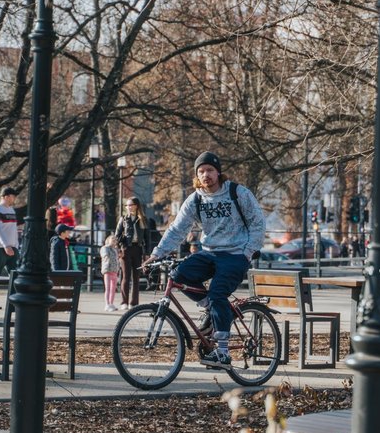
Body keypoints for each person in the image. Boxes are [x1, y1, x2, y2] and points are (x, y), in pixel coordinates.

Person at [143, 151, 265, 367]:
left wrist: (248, 252)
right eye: (201, 171)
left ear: (218, 172)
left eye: (209, 170)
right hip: (209, 252)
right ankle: (212, 309)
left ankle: (223, 352)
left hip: (236, 254)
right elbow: (177, 229)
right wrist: (156, 254)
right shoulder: (196, 199)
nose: (205, 175)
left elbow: (258, 222)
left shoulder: (238, 193)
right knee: (178, 275)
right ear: (197, 176)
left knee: (218, 292)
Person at [114, 196, 153, 309]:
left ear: (136, 206)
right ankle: (124, 302)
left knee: (136, 278)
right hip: (126, 249)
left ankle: (134, 303)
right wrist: (120, 247)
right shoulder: (123, 219)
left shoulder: (143, 219)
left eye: (130, 205)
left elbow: (147, 238)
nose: (128, 207)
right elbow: (117, 236)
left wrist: (147, 253)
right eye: (127, 205)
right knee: (125, 277)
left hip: (138, 249)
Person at [100, 235, 120, 312]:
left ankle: (111, 303)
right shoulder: (105, 248)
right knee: (108, 288)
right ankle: (107, 304)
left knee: (113, 289)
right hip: (108, 270)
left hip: (114, 271)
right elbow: (105, 256)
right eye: (112, 239)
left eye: (115, 240)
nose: (114, 241)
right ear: (108, 240)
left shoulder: (115, 249)